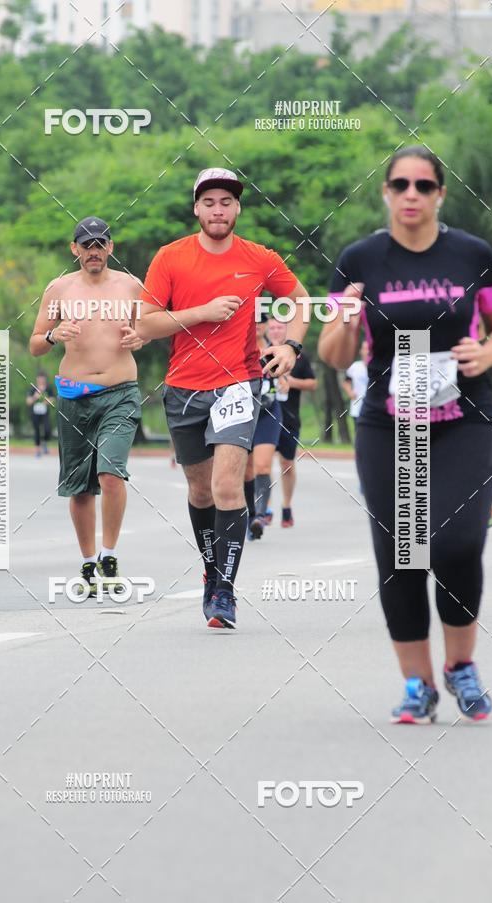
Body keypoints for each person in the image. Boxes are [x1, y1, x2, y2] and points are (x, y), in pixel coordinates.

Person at [319, 145, 492, 724]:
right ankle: (417, 684)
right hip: (387, 422)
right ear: (386, 193)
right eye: (400, 185)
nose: (412, 195)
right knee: (403, 552)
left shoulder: (471, 253)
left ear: (441, 194)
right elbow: (331, 354)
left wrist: (487, 351)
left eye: (424, 186)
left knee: (455, 542)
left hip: (465, 419)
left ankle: (460, 666)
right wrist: (346, 322)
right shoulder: (359, 260)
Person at [138, 167, 308, 629]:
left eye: (227, 202)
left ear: (238, 208)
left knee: (228, 487)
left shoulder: (259, 258)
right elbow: (146, 324)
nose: (218, 209)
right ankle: (212, 570)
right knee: (199, 490)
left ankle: (225, 593)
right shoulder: (170, 258)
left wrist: (290, 346)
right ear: (196, 208)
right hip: (182, 388)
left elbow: (301, 300)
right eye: (209, 202)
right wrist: (201, 313)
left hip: (238, 382)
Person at [29, 216, 144, 597]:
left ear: (111, 248)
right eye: (87, 245)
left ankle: (109, 554)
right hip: (74, 395)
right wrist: (53, 334)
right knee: (80, 488)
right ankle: (87, 561)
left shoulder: (131, 286)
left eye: (101, 244)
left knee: (110, 474)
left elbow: (154, 326)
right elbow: (35, 344)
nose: (94, 251)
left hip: (120, 392)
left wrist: (139, 336)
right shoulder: (59, 289)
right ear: (74, 249)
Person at [266, 316, 317, 528]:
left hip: (289, 417)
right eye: (272, 328)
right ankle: (264, 507)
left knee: (286, 463)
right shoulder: (261, 354)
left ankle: (286, 505)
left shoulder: (298, 356)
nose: (276, 331)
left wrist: (289, 381)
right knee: (262, 464)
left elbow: (313, 383)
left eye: (280, 327)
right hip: (265, 416)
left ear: (286, 330)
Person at [245, 314, 283, 541]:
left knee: (261, 466)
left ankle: (260, 516)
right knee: (247, 470)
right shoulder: (241, 349)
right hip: (244, 411)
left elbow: (285, 376)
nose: (257, 326)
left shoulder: (276, 350)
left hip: (269, 412)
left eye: (261, 322)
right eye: (253, 321)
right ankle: (250, 515)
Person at [342, 340, 369, 432]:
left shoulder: (378, 367)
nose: (367, 351)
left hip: (373, 408)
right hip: (357, 408)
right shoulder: (355, 366)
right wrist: (350, 392)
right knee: (359, 434)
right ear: (361, 351)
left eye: (369, 349)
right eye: (364, 349)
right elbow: (346, 382)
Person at [26, 373, 54, 457]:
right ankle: (38, 451)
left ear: (45, 380)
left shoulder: (48, 389)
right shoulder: (33, 389)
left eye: (43, 379)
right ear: (37, 379)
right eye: (40, 379)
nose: (41, 381)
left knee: (47, 429)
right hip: (35, 413)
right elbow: (28, 402)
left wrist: (48, 401)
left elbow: (53, 398)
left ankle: (45, 442)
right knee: (37, 431)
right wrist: (35, 397)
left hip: (45, 413)